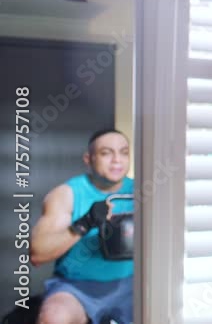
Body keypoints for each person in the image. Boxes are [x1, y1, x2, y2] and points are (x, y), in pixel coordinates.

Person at [30, 128, 134, 324]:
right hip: (78, 287)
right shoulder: (67, 194)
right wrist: (84, 223)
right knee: (53, 318)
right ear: (89, 159)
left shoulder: (142, 191)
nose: (116, 160)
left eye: (124, 152)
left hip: (131, 284)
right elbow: (37, 255)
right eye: (106, 153)